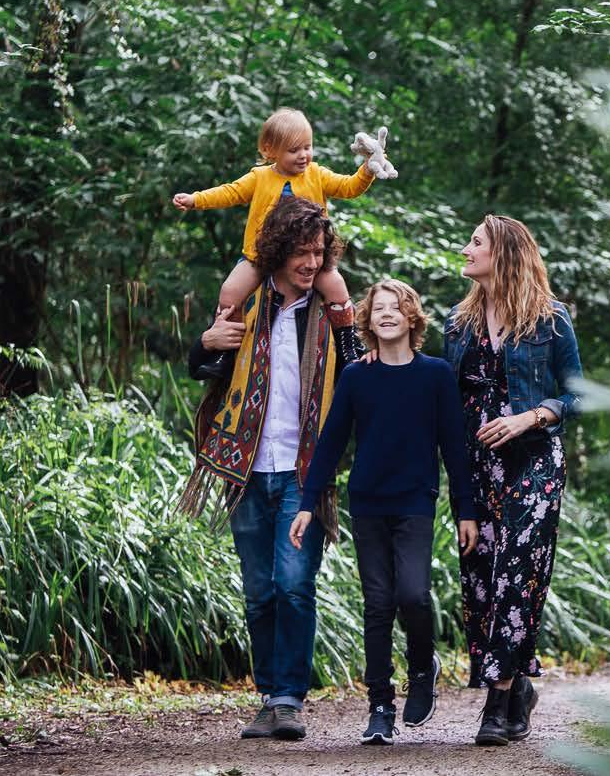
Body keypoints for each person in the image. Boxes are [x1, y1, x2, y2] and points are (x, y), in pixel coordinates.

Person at [180, 196, 364, 742]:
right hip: (246, 471)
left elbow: (359, 374)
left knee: (293, 585)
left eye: (319, 252)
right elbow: (205, 368)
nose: (311, 262)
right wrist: (205, 343)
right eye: (302, 252)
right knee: (259, 590)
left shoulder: (328, 312)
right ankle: (269, 696)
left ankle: (288, 699)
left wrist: (347, 319)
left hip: (305, 473)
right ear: (279, 251)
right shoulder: (246, 303)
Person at [290, 279, 479, 745]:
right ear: (368, 322)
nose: (388, 314)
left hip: (415, 502)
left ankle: (422, 669)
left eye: (396, 307)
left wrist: (466, 511)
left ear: (412, 317)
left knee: (413, 595)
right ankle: (380, 707)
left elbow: (454, 448)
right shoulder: (357, 376)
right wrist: (307, 504)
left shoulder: (435, 375)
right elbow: (331, 442)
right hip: (368, 504)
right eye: (379, 309)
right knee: (377, 605)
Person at [444, 215, 583, 746]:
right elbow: (445, 399)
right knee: (481, 578)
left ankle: (497, 701)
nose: (466, 249)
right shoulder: (458, 324)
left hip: (534, 462)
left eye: (475, 242)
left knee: (516, 573)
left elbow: (578, 394)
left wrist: (532, 416)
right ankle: (519, 685)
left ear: (503, 253)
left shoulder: (551, 320)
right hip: (477, 467)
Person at [172, 108, 386, 356]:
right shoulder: (260, 177)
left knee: (336, 286)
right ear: (269, 150)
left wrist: (367, 170)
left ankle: (348, 347)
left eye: (307, 147)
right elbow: (230, 192)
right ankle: (225, 352)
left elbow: (348, 187)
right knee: (230, 291)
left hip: (307, 254)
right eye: (294, 150)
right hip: (261, 254)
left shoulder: (317, 174)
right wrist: (195, 199)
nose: (303, 155)